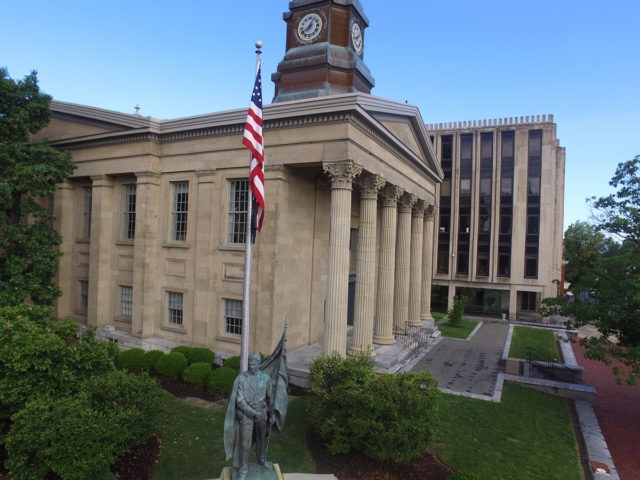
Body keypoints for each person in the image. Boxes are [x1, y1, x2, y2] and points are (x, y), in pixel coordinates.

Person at [225, 354, 274, 480]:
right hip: (247, 415)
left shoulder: (266, 378)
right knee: (244, 443)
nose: (251, 367)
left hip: (262, 413)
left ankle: (262, 460)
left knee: (262, 439)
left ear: (259, 364)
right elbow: (240, 400)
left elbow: (270, 397)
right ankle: (243, 468)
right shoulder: (241, 379)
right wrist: (252, 412)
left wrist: (271, 413)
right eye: (250, 365)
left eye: (254, 364)